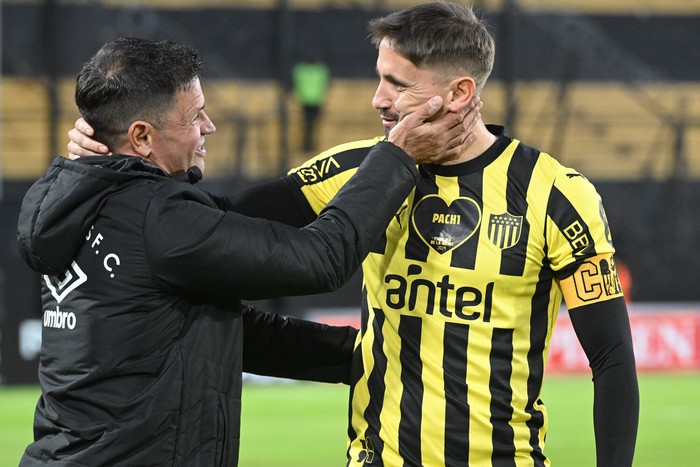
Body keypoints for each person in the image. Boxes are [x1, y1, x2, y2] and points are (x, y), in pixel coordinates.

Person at [67, 4, 639, 465]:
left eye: (397, 83)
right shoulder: (355, 170)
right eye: (378, 79)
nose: (378, 99)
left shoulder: (558, 194)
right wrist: (111, 158)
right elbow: (215, 222)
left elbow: (611, 357)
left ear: (460, 93)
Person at [18, 36, 478, 466]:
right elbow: (319, 259)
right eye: (194, 115)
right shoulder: (155, 216)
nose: (209, 127)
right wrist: (398, 157)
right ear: (141, 137)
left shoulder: (80, 198)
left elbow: (227, 335)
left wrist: (380, 357)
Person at [292, 50, 331, 152]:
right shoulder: (320, 70)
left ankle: (308, 145)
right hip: (312, 101)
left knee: (309, 125)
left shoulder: (300, 69)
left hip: (308, 100)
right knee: (310, 125)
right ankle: (309, 145)